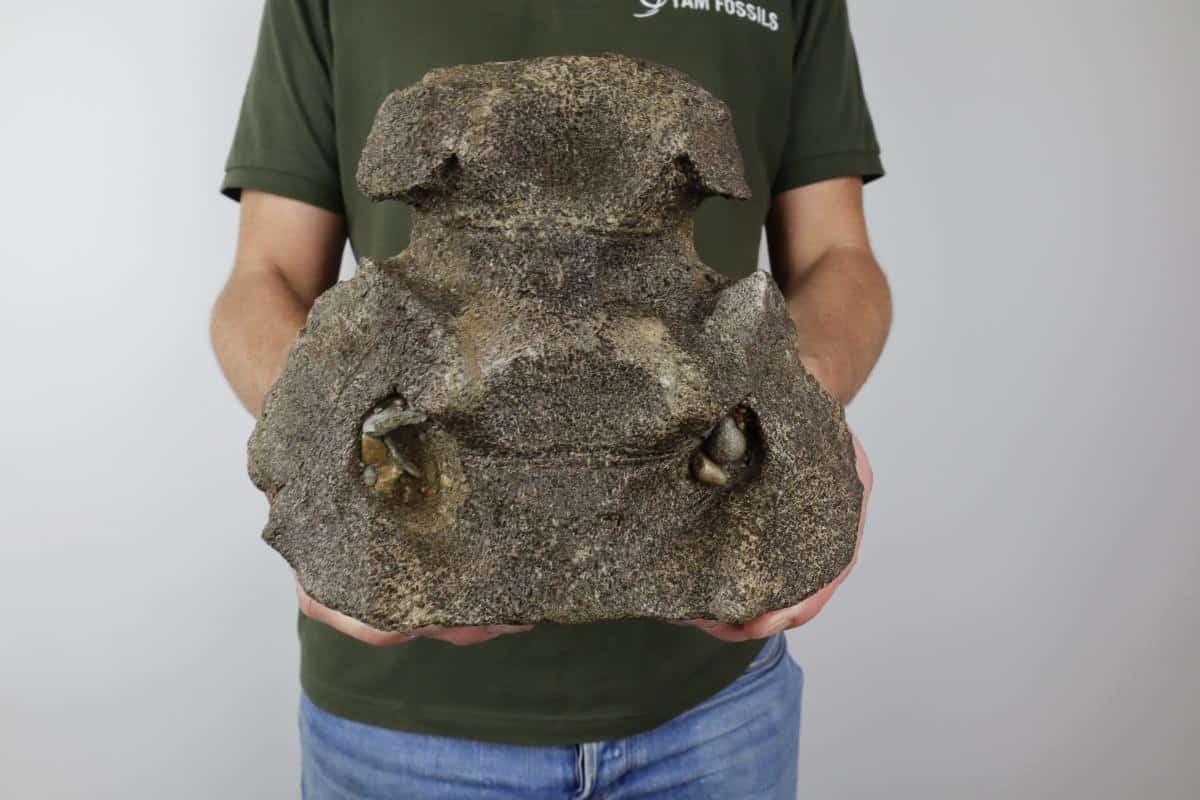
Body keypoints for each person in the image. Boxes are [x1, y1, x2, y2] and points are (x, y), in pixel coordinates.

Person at [210, 1, 890, 797]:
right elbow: (265, 277)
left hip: (714, 698)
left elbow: (838, 255)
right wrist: (320, 443)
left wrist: (799, 405)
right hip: (401, 713)